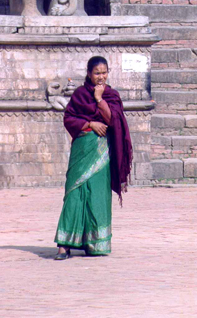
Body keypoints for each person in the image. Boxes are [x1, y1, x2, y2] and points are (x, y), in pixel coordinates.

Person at [54, 56, 133, 260]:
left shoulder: (111, 95)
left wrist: (99, 98)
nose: (101, 77)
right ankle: (64, 245)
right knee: (74, 193)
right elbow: (69, 118)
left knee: (97, 195)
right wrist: (90, 124)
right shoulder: (80, 94)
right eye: (97, 73)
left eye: (104, 72)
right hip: (83, 149)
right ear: (89, 74)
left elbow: (112, 120)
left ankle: (94, 243)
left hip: (102, 153)